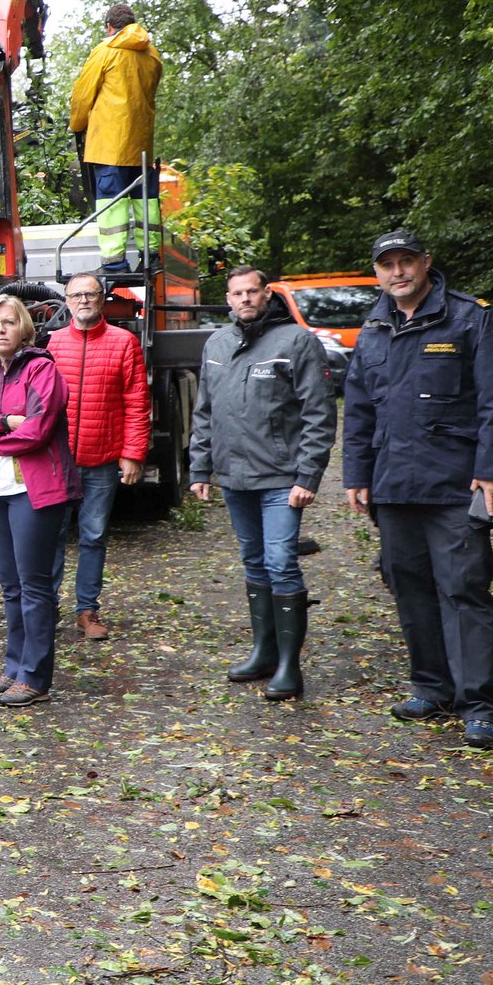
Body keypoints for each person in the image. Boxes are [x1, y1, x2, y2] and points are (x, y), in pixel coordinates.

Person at [344, 231, 493, 749]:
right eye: (387, 265)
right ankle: (432, 688)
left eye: (406, 262)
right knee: (409, 587)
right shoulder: (374, 328)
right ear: (376, 272)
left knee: (464, 590)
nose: (397, 272)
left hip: (455, 484)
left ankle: (478, 707)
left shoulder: (471, 319)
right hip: (394, 486)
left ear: (426, 263)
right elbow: (358, 410)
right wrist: (357, 475)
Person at [187, 267, 335, 700]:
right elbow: (204, 412)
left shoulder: (296, 341)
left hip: (281, 479)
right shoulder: (217, 343)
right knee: (253, 562)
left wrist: (308, 475)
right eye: (237, 293)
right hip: (235, 478)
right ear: (228, 299)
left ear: (266, 294)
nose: (245, 299)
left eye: (253, 291)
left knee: (280, 562)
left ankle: (290, 666)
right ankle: (263, 652)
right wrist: (200, 469)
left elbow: (318, 413)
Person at [0, 294, 78, 707]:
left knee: (34, 586)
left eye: (8, 322)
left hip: (36, 491)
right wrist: (3, 423)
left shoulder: (44, 370)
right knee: (10, 587)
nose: (0, 330)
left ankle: (35, 676)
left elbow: (38, 431)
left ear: (23, 328)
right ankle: (14, 667)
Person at [45, 273, 150, 641]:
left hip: (102, 459)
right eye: (76, 295)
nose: (84, 300)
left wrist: (133, 453)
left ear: (103, 299)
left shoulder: (125, 343)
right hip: (56, 462)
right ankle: (45, 608)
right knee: (50, 536)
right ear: (67, 301)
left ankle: (87, 610)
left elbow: (137, 402)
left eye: (91, 294)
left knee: (93, 535)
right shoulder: (52, 344)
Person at [69, 2, 164, 274]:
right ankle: (151, 258)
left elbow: (83, 95)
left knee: (112, 201)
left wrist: (77, 124)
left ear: (110, 27)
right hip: (141, 144)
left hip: (110, 144)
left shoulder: (105, 52)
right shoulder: (152, 55)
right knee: (145, 200)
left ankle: (114, 263)